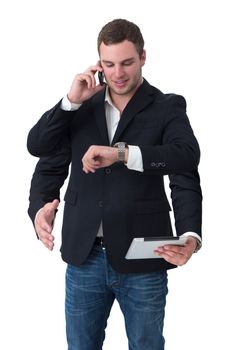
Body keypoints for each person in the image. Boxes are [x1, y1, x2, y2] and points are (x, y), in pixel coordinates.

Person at [27, 18, 202, 350]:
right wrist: (39, 209)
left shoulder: (167, 107)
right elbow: (42, 154)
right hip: (84, 257)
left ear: (143, 57)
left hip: (145, 258)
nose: (117, 73)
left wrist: (190, 236)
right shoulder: (79, 107)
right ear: (98, 63)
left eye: (126, 63)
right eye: (108, 64)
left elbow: (185, 164)